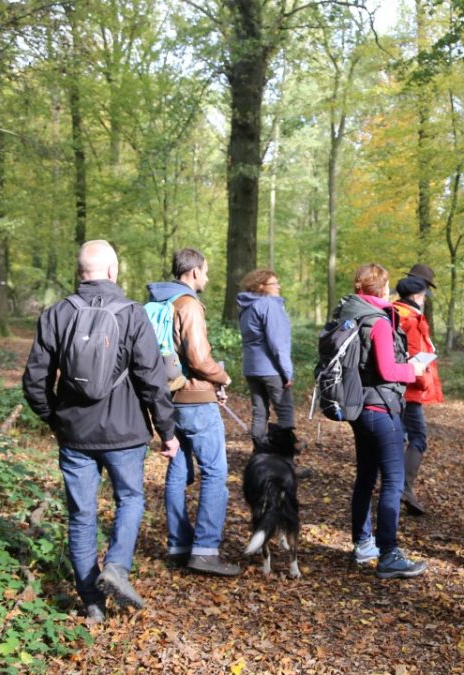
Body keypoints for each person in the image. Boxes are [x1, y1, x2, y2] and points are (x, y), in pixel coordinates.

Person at [22, 240, 180, 624]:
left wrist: (54, 418)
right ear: (113, 271)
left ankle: (92, 602)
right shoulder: (132, 314)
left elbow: (34, 380)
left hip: (75, 435)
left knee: (81, 514)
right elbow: (152, 380)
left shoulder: (56, 314)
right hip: (125, 433)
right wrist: (167, 430)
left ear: (80, 273)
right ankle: (117, 568)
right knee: (130, 499)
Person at [146, 248, 240, 576]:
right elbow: (198, 358)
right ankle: (205, 550)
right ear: (195, 272)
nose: (209, 278)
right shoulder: (189, 305)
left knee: (178, 469)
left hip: (168, 398)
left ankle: (178, 545)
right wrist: (222, 377)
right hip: (197, 401)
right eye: (207, 271)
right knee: (214, 472)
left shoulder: (159, 303)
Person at [337, 263, 429, 579]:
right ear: (383, 287)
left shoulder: (351, 313)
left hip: (358, 406)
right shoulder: (377, 321)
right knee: (393, 480)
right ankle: (388, 553)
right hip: (380, 408)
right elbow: (389, 370)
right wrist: (413, 371)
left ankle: (363, 544)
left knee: (365, 476)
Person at [392, 270, 444, 515]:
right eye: (423, 295)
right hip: (409, 389)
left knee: (398, 438)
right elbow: (414, 355)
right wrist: (423, 382)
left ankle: (397, 487)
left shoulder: (392, 312)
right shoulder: (411, 320)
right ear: (415, 295)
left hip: (393, 388)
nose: (425, 299)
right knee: (418, 438)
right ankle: (403, 487)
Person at [236, 269, 295, 445]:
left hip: (252, 368)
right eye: (274, 284)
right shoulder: (269, 305)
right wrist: (287, 372)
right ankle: (286, 460)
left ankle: (260, 454)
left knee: (259, 412)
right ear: (261, 286)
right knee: (285, 412)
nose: (279, 286)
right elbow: (278, 343)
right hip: (272, 369)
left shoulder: (247, 307)